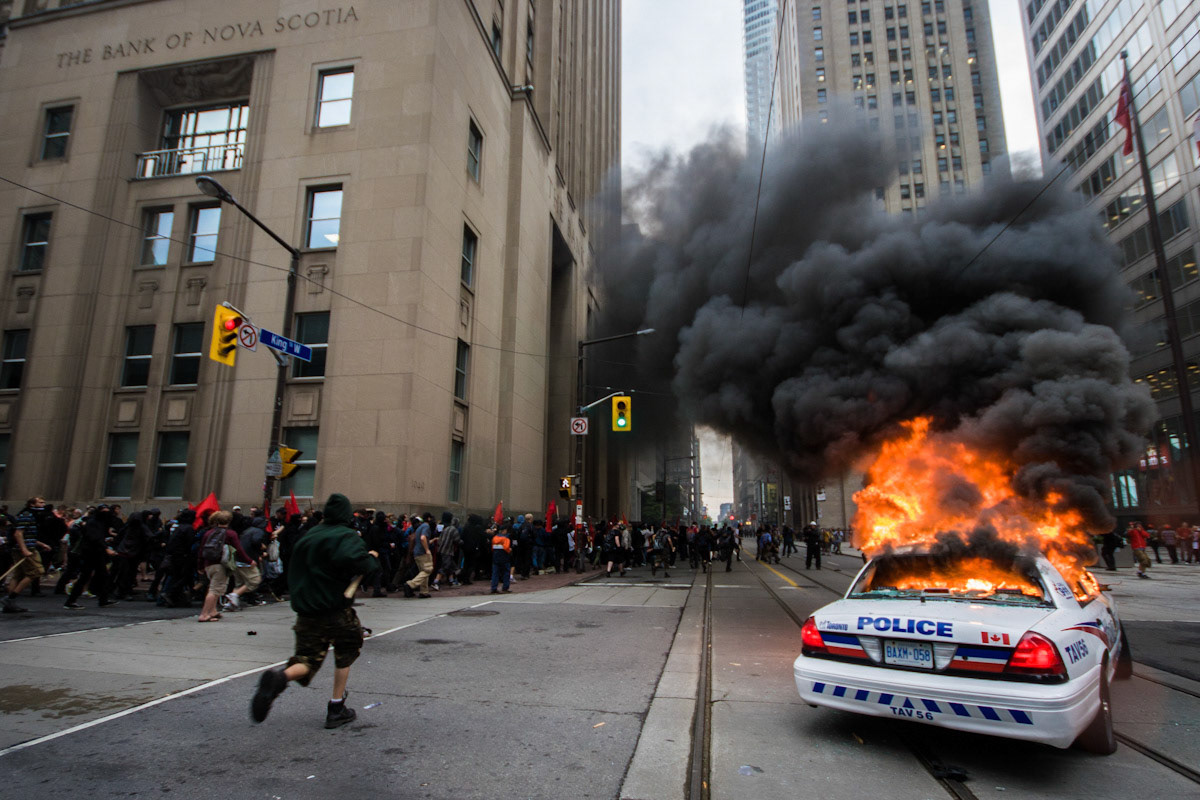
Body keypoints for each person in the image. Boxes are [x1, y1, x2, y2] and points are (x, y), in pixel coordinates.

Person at [250, 493, 378, 729]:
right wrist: (370, 559)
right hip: (335, 607)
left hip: (306, 610)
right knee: (347, 650)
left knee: (307, 659)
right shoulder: (345, 536)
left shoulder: (309, 536)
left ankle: (281, 678)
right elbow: (357, 562)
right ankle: (336, 706)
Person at [197, 511, 254, 621]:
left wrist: (200, 566)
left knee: (213, 587)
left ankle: (213, 611)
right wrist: (249, 561)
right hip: (221, 565)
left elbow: (201, 550)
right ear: (229, 521)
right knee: (214, 590)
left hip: (209, 564)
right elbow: (239, 549)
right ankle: (204, 614)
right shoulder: (230, 534)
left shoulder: (209, 533)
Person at [63, 505, 119, 610]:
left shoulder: (97, 522)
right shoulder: (94, 523)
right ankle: (71, 601)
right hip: (91, 553)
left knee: (100, 576)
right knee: (88, 576)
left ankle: (102, 600)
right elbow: (94, 537)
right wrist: (106, 548)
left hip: (95, 552)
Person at [3, 511, 52, 613]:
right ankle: (10, 598)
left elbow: (27, 536)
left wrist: (41, 544)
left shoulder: (29, 516)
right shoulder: (27, 515)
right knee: (36, 571)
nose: (42, 505)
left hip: (24, 547)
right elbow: (18, 533)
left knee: (18, 574)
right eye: (40, 502)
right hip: (26, 549)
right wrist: (24, 549)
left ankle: (10, 603)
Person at [404, 513, 434, 598]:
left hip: (416, 552)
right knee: (428, 570)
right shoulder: (426, 527)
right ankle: (411, 584)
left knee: (423, 571)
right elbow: (423, 538)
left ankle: (424, 591)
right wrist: (427, 550)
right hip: (422, 552)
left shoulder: (419, 528)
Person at [490, 521, 512, 594]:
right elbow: (506, 547)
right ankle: (505, 587)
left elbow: (492, 548)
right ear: (504, 531)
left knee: (495, 573)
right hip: (504, 558)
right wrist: (509, 550)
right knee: (506, 573)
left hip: (496, 558)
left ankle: (494, 588)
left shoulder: (494, 538)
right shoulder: (506, 539)